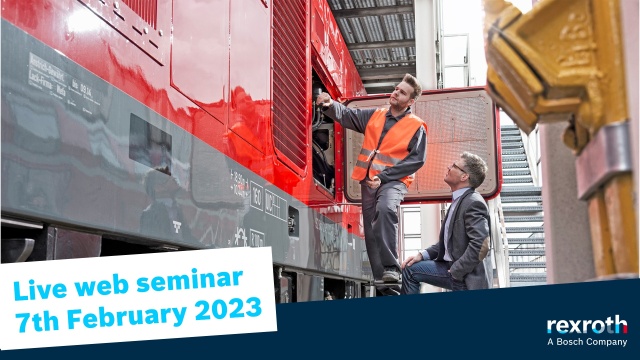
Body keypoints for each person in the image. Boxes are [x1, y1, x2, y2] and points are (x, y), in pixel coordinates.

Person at [316, 73, 428, 290]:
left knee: (385, 209)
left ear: (411, 101)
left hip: (394, 181)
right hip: (368, 181)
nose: (396, 93)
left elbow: (417, 159)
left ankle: (392, 270)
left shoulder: (416, 126)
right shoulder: (376, 115)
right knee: (371, 228)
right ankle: (384, 283)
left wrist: (384, 177)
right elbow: (349, 115)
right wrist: (330, 105)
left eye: (402, 92)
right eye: (396, 89)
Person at [400, 152, 491, 294]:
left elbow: (482, 245)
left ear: (464, 176)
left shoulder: (473, 203)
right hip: (452, 268)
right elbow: (449, 243)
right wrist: (422, 255)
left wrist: (457, 270)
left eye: (455, 165)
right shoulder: (459, 201)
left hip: (465, 277)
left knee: (410, 271)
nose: (449, 167)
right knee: (411, 268)